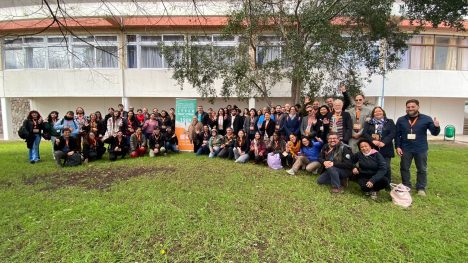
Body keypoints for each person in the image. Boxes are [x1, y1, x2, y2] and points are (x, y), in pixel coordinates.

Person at [395, 99, 440, 196]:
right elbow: (397, 135)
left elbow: (434, 133)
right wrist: (397, 146)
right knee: (404, 168)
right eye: (408, 107)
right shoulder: (401, 120)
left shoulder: (426, 118)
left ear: (418, 107)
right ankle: (406, 186)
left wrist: (436, 126)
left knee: (422, 169)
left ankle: (421, 188)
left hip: (421, 148)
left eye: (412, 106)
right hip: (405, 148)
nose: (410, 108)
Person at [362, 106, 396, 184]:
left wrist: (384, 142)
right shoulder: (369, 122)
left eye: (379, 111)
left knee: (386, 166)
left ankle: (387, 183)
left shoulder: (389, 121)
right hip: (373, 148)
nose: (378, 113)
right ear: (373, 114)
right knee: (374, 166)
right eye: (375, 112)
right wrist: (372, 141)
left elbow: (393, 133)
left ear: (383, 112)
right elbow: (365, 133)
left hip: (386, 147)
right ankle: (375, 182)